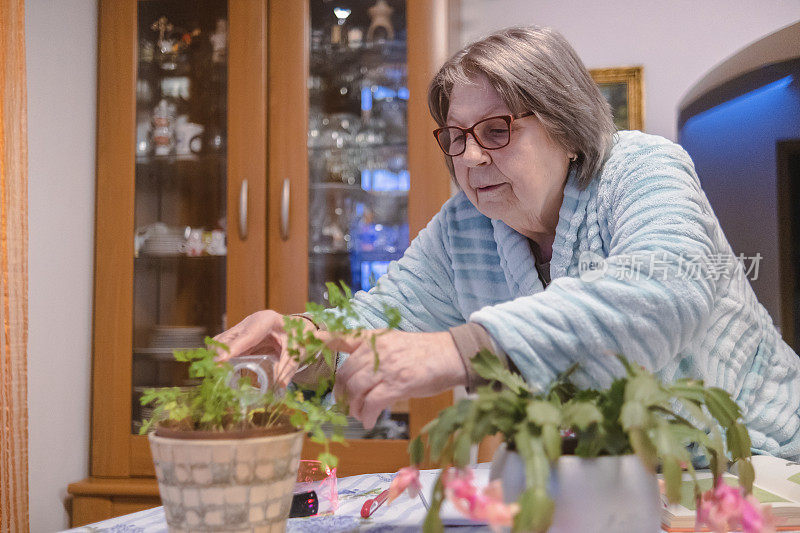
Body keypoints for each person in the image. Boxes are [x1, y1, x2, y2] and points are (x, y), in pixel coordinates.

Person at [215, 26, 800, 459]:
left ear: (566, 126)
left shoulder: (643, 168)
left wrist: (460, 349)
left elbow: (660, 294)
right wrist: (300, 341)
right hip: (618, 483)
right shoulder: (463, 228)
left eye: (497, 130)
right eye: (454, 137)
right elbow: (375, 320)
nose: (469, 157)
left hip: (761, 465)